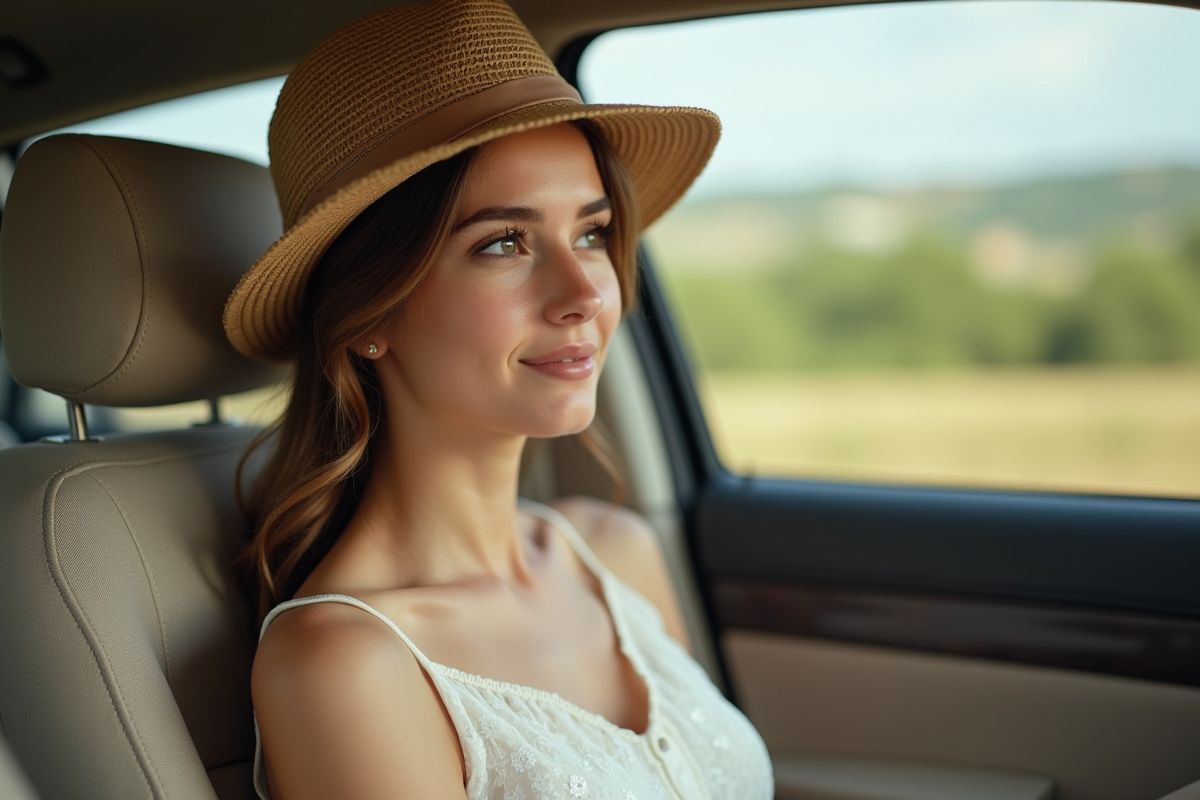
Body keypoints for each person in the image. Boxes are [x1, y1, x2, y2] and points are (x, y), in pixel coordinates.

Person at [222, 1, 774, 798]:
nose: (585, 293)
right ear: (368, 313)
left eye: (591, 233)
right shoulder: (346, 663)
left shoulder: (613, 553)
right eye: (504, 243)